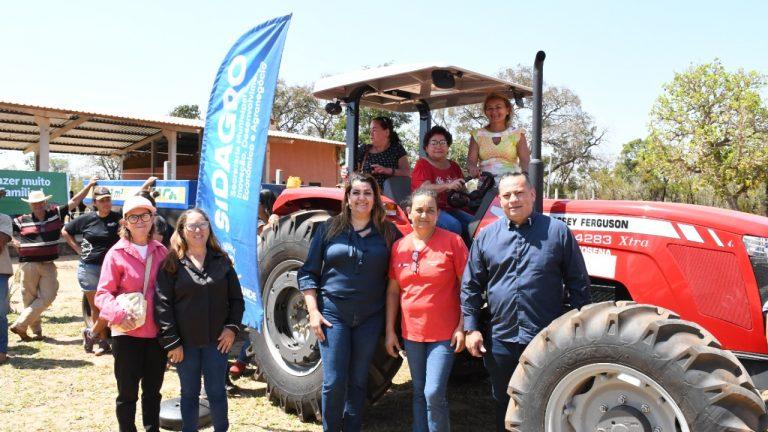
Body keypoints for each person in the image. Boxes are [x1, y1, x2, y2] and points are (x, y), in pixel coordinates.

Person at [460, 172, 591, 432]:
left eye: (519, 193)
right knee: (504, 402)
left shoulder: (557, 233)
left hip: (546, 339)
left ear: (532, 194)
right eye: (507, 195)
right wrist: (472, 328)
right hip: (501, 339)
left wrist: (577, 327)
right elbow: (471, 285)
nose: (513, 200)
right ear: (499, 200)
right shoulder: (487, 237)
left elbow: (579, 284)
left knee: (547, 400)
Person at [298, 173, 400, 432]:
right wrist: (313, 312)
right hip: (333, 315)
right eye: (356, 193)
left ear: (375, 198)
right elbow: (308, 272)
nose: (362, 198)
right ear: (347, 198)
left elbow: (405, 264)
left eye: (368, 193)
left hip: (370, 316)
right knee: (333, 381)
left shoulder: (388, 232)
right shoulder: (329, 229)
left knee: (358, 380)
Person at [385, 188, 468, 432]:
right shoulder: (399, 246)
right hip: (412, 333)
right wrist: (390, 330)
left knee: (433, 393)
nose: (424, 215)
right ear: (409, 213)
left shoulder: (453, 242)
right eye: (419, 210)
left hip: (444, 333)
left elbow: (468, 287)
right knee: (419, 392)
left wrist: (463, 326)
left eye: (430, 210)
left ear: (438, 214)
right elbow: (393, 291)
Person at [155, 208, 244, 432]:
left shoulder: (222, 260)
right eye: (192, 226)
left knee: (216, 393)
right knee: (190, 394)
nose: (198, 230)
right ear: (182, 231)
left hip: (217, 342)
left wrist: (232, 328)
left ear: (209, 227)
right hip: (185, 345)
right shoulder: (172, 263)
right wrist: (172, 342)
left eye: (202, 224)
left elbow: (237, 300)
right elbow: (162, 304)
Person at [95, 195, 168, 432]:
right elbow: (102, 294)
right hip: (126, 334)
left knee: (153, 392)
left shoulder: (161, 252)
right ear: (125, 222)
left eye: (145, 215)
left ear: (152, 219)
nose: (140, 221)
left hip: (156, 334)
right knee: (127, 394)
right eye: (133, 217)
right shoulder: (115, 254)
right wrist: (118, 315)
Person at [9, 177, 99, 341]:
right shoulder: (21, 220)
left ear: (44, 202)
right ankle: (35, 332)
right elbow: (4, 228)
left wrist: (90, 186)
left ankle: (20, 324)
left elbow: (74, 201)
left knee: (48, 296)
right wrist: (12, 241)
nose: (37, 205)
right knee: (29, 298)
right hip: (28, 264)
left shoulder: (55, 214)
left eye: (40, 202)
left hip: (48, 264)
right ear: (30, 205)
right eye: (34, 203)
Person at [62, 186, 121, 355]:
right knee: (97, 307)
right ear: (95, 203)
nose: (106, 203)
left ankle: (91, 333)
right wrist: (78, 249)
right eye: (102, 201)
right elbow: (65, 231)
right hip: (90, 267)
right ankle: (103, 342)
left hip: (112, 268)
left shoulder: (118, 219)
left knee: (114, 305)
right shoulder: (87, 219)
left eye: (108, 200)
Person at [410, 125, 473, 240]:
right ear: (426, 147)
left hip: (452, 208)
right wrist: (448, 185)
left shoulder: (454, 165)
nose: (438, 146)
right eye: (434, 143)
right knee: (453, 225)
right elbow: (424, 189)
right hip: (431, 209)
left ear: (448, 146)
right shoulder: (422, 164)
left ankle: (471, 255)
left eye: (442, 142)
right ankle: (451, 255)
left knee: (475, 224)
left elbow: (462, 188)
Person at [467, 93, 531, 178]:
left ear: (507, 110)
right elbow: (471, 161)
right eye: (490, 108)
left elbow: (525, 161)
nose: (494, 111)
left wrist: (525, 177)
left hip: (511, 185)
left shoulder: (517, 134)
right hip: (486, 185)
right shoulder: (477, 135)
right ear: (485, 112)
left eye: (498, 107)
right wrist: (472, 168)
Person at [354, 116, 410, 189]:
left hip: (389, 197)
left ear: (386, 132)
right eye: (370, 130)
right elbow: (354, 173)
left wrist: (387, 170)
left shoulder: (397, 149)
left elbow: (406, 172)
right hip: (367, 195)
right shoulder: (364, 149)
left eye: (374, 130)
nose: (370, 133)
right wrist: (345, 173)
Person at [0, 188, 13, 365]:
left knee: (0, 313)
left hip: (0, 271)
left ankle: (1, 350)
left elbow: (0, 241)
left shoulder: (4, 219)